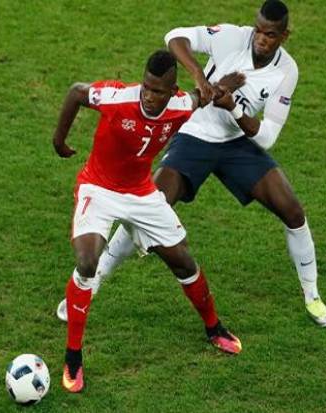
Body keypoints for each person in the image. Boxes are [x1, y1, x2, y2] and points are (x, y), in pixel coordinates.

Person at [56, 0, 326, 331]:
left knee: (292, 211)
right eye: (259, 31)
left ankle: (313, 297)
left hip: (237, 144)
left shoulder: (286, 72)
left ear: (284, 36)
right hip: (194, 134)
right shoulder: (232, 37)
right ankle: (92, 283)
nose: (261, 39)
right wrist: (198, 75)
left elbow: (266, 138)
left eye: (270, 35)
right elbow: (174, 37)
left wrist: (233, 107)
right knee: (147, 205)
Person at [52, 50, 246, 393]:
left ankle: (214, 328)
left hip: (142, 194)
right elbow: (76, 91)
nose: (148, 95)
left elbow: (202, 97)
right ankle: (73, 356)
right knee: (86, 262)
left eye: (158, 91)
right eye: (146, 87)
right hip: (99, 187)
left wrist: (223, 86)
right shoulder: (116, 98)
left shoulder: (180, 105)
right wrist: (59, 139)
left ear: (171, 92)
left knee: (183, 261)